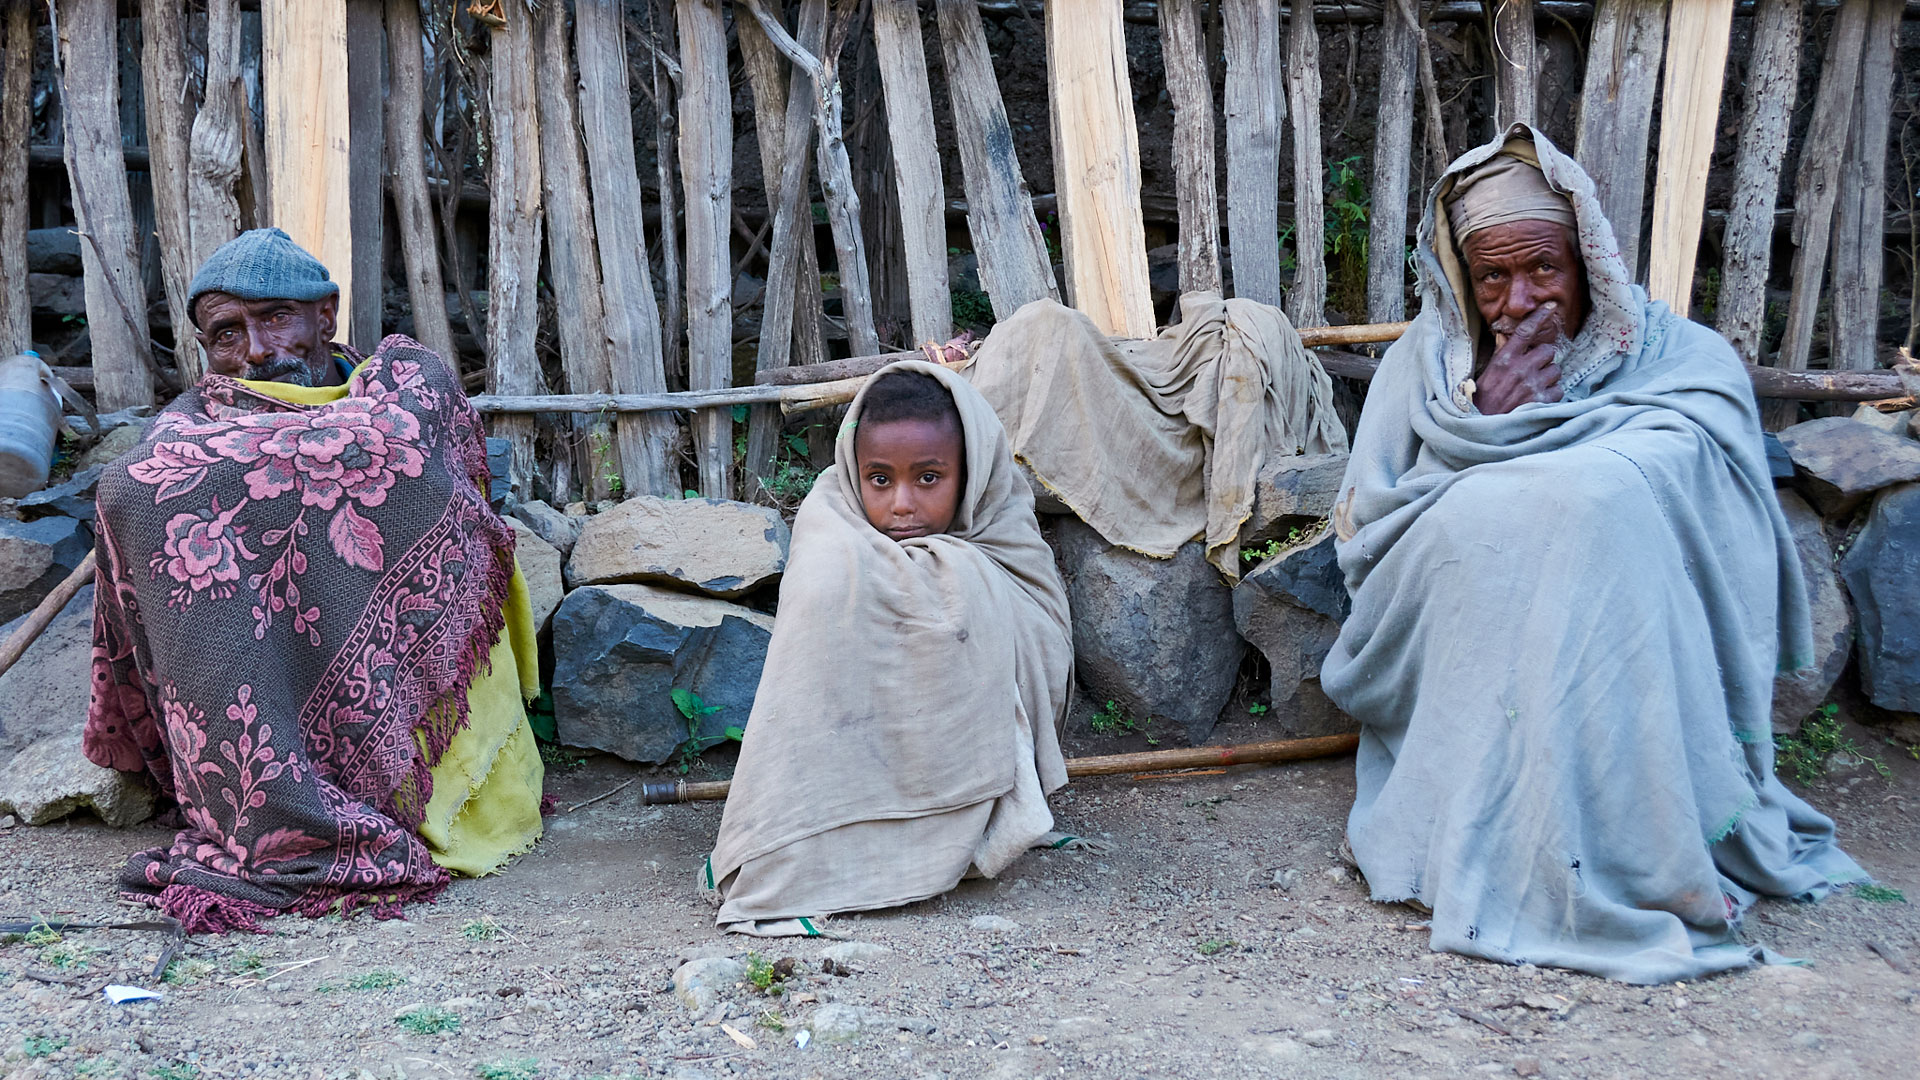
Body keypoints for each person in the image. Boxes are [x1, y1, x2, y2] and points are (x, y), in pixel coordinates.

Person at [1320, 126, 1866, 983]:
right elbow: (1375, 529)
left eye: (1545, 269)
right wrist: (1490, 425)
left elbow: (1691, 493)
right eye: (1492, 276)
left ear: (1591, 261)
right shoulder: (1423, 368)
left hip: (1619, 624)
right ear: (1463, 278)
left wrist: (1547, 474)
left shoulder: (1679, 359)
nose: (1518, 300)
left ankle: (1639, 853)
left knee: (1594, 511)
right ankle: (1502, 835)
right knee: (1549, 515)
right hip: (1464, 626)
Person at [83, 228, 544, 933]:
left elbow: (400, 459)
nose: (259, 351)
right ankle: (279, 802)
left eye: (275, 318)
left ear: (325, 316)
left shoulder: (404, 387)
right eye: (228, 333)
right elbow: (134, 487)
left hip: (424, 737)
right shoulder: (184, 433)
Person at [703, 363, 1078, 936]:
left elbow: (1041, 643)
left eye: (928, 479)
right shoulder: (832, 525)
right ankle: (833, 845)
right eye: (880, 479)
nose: (901, 504)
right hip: (845, 777)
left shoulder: (1004, 535)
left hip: (977, 771)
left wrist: (962, 587)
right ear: (855, 473)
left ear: (971, 472)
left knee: (975, 586)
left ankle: (953, 827)